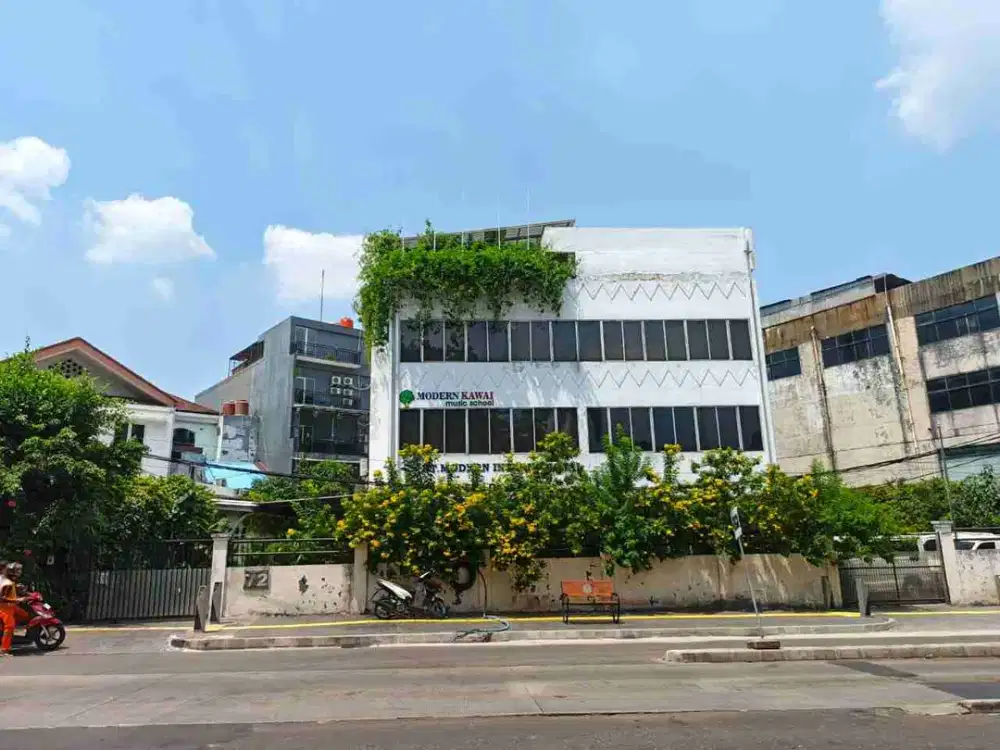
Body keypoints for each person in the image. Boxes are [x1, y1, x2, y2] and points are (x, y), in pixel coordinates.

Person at [0, 561, 22, 657]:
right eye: (7, 568)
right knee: (9, 627)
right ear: (3, 569)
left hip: (11, 606)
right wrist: (16, 600)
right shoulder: (7, 582)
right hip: (5, 608)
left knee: (24, 614)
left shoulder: (6, 579)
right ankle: (4, 650)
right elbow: (2, 598)